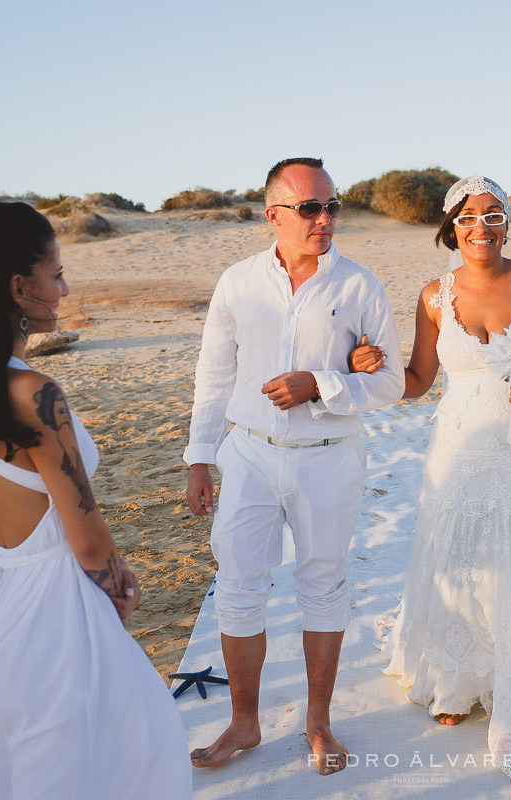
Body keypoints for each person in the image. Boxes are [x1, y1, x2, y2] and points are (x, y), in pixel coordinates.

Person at [0, 201, 191, 799]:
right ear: (18, 286)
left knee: (31, 769)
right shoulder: (35, 392)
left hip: (10, 601)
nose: (65, 287)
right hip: (59, 610)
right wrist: (117, 587)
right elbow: (83, 531)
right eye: (56, 274)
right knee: (139, 749)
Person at [358, 176, 511, 787]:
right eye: (467, 218)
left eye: (492, 216)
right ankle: (458, 676)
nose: (479, 228)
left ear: (508, 223)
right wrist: (372, 365)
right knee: (459, 562)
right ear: (449, 228)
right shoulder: (434, 295)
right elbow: (418, 380)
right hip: (457, 450)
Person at [183, 157, 404, 775]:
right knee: (238, 590)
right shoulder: (237, 282)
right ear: (273, 213)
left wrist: (323, 384)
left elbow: (390, 384)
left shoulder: (360, 286)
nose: (326, 218)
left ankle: (318, 723)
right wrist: (200, 456)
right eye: (311, 208)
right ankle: (244, 722)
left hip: (329, 460)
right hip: (248, 453)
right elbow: (214, 373)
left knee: (324, 586)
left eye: (333, 206)